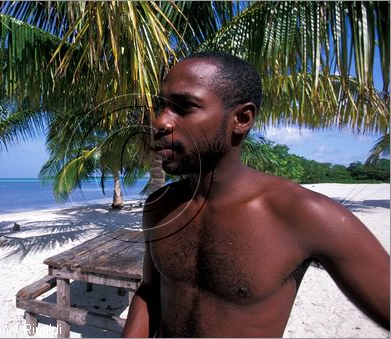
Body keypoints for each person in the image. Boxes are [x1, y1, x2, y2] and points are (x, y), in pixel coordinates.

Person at [122, 51, 390, 337]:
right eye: (162, 106)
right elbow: (150, 292)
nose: (160, 122)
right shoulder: (160, 205)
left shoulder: (304, 215)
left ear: (242, 118)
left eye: (184, 107)